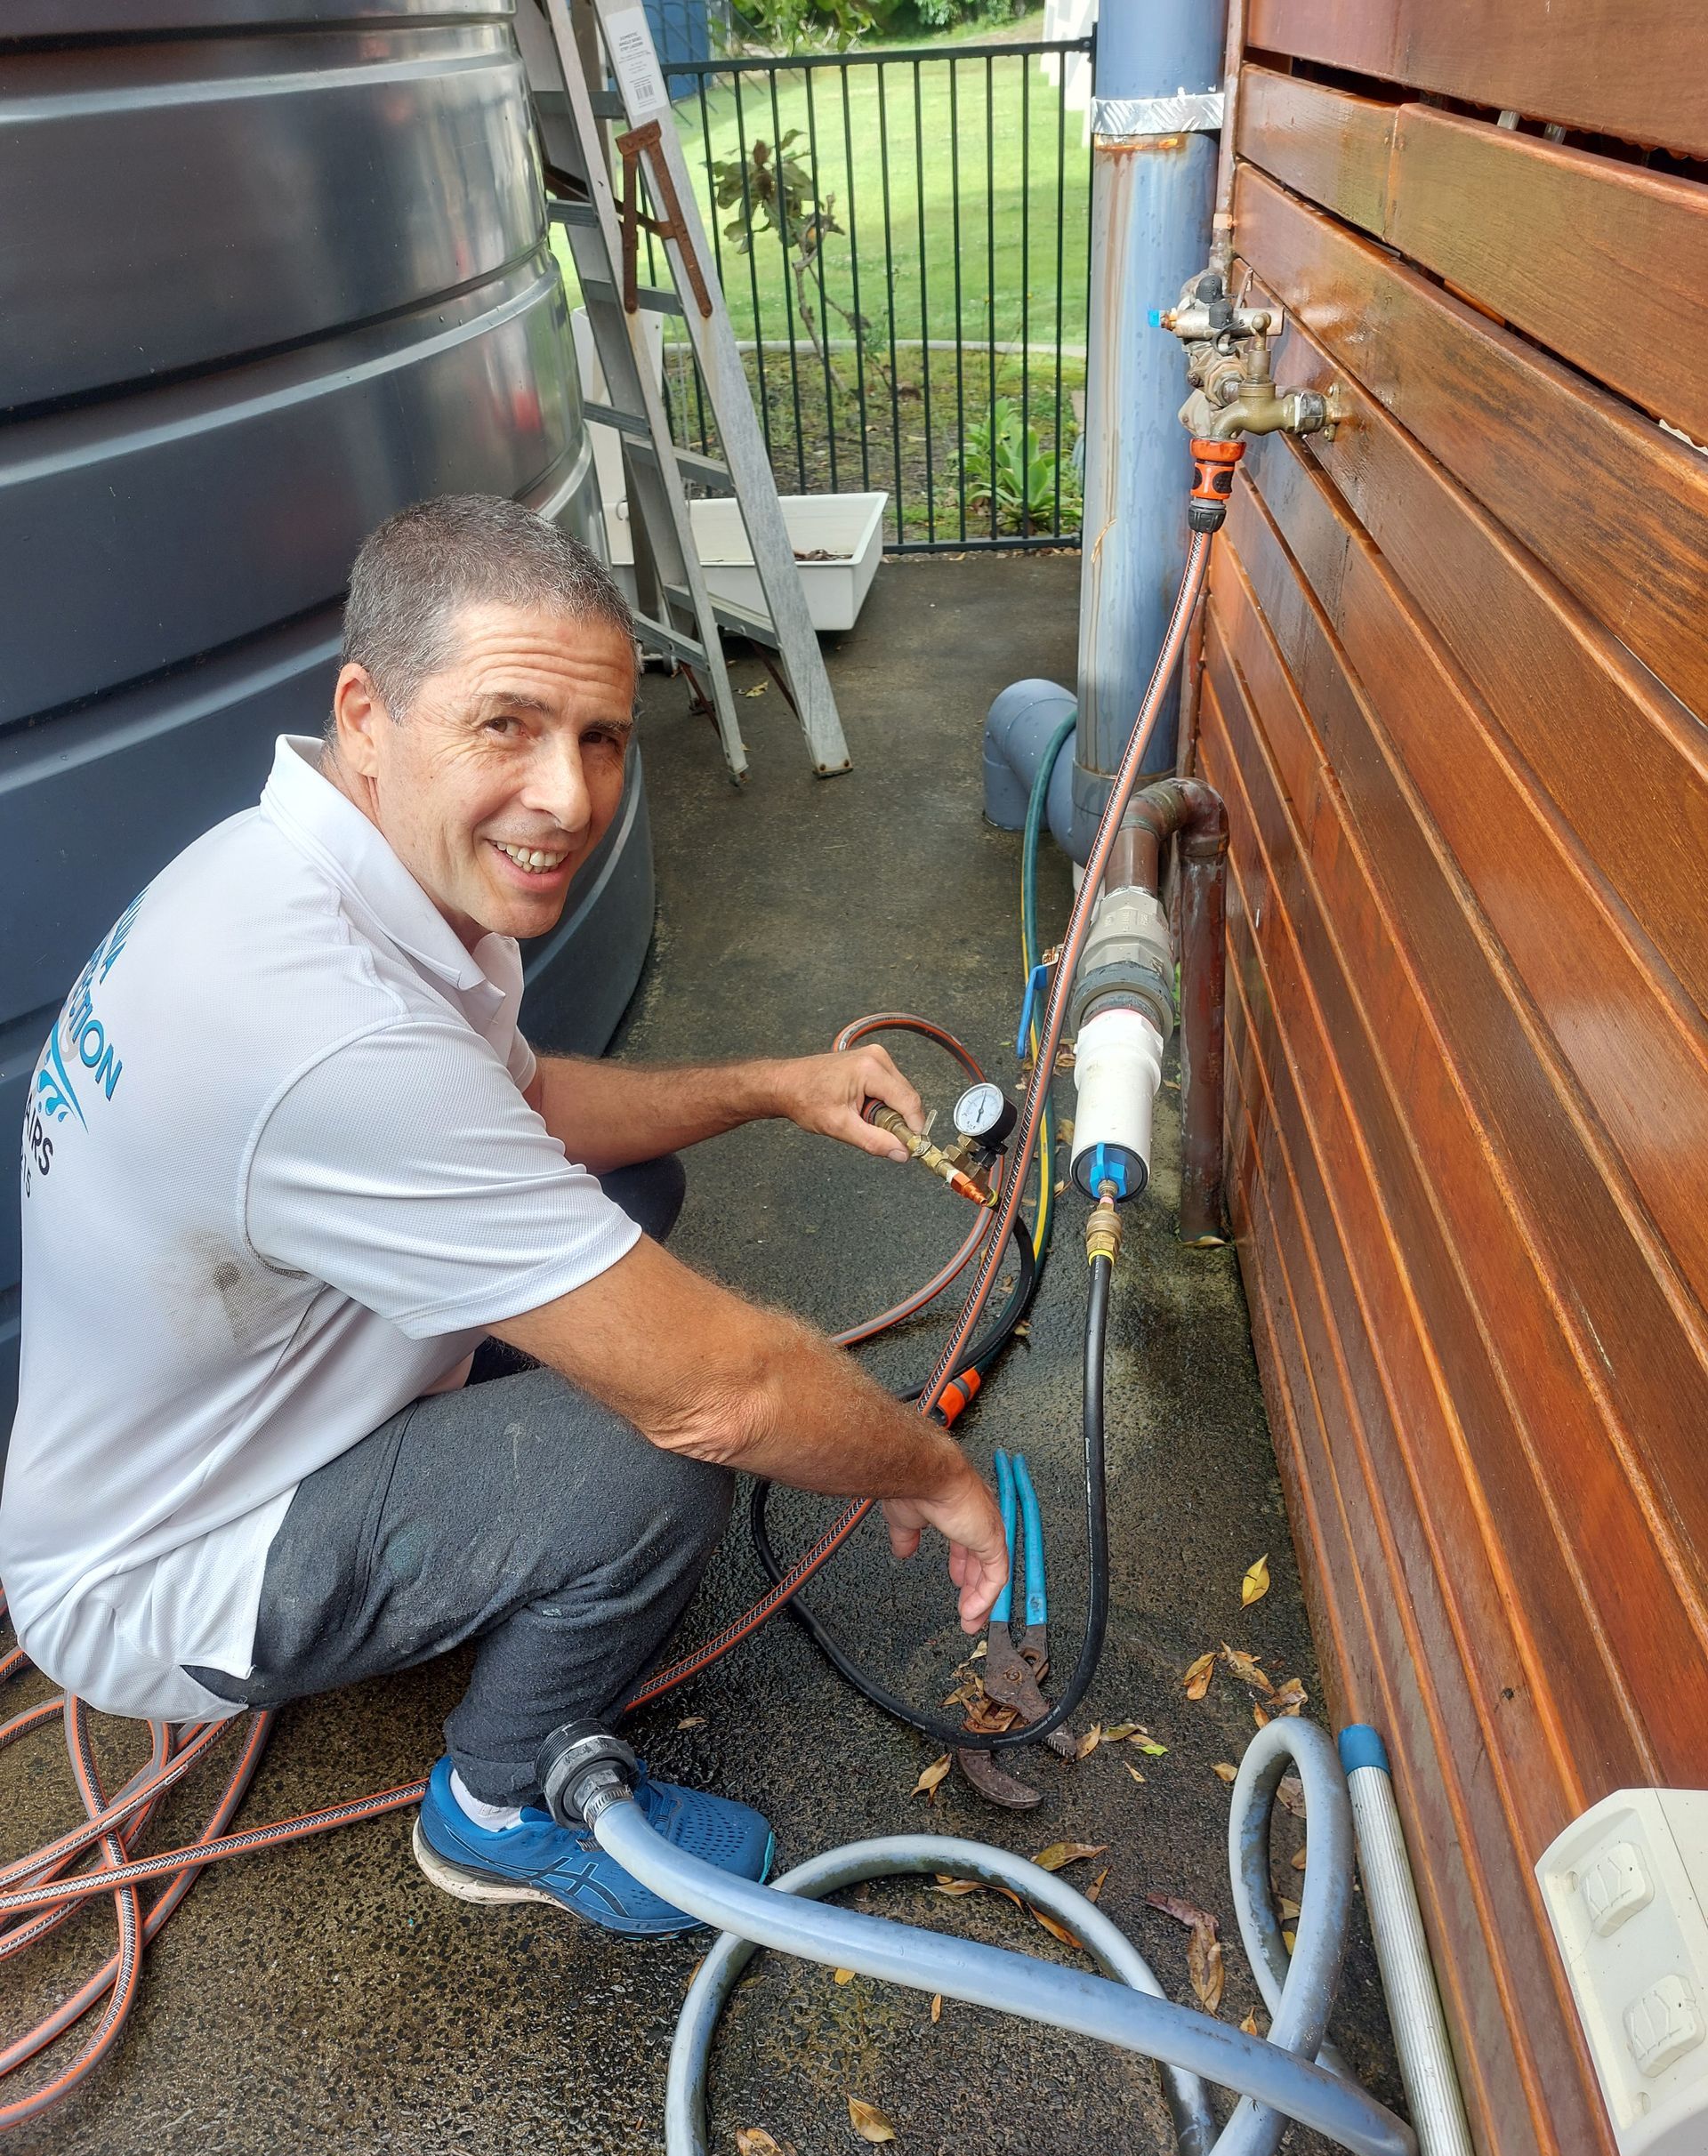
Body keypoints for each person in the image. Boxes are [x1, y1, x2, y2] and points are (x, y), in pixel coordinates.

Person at [1, 495, 1007, 1938]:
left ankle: (468, 1526)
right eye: (506, 727)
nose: (572, 798)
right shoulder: (326, 1035)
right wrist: (929, 1465)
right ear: (367, 712)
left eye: (599, 737)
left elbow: (521, 1111)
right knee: (652, 1468)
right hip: (163, 1559)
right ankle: (495, 1809)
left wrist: (773, 1085)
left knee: (633, 1196)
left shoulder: (322, 873)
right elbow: (719, 1394)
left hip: (205, 1413)